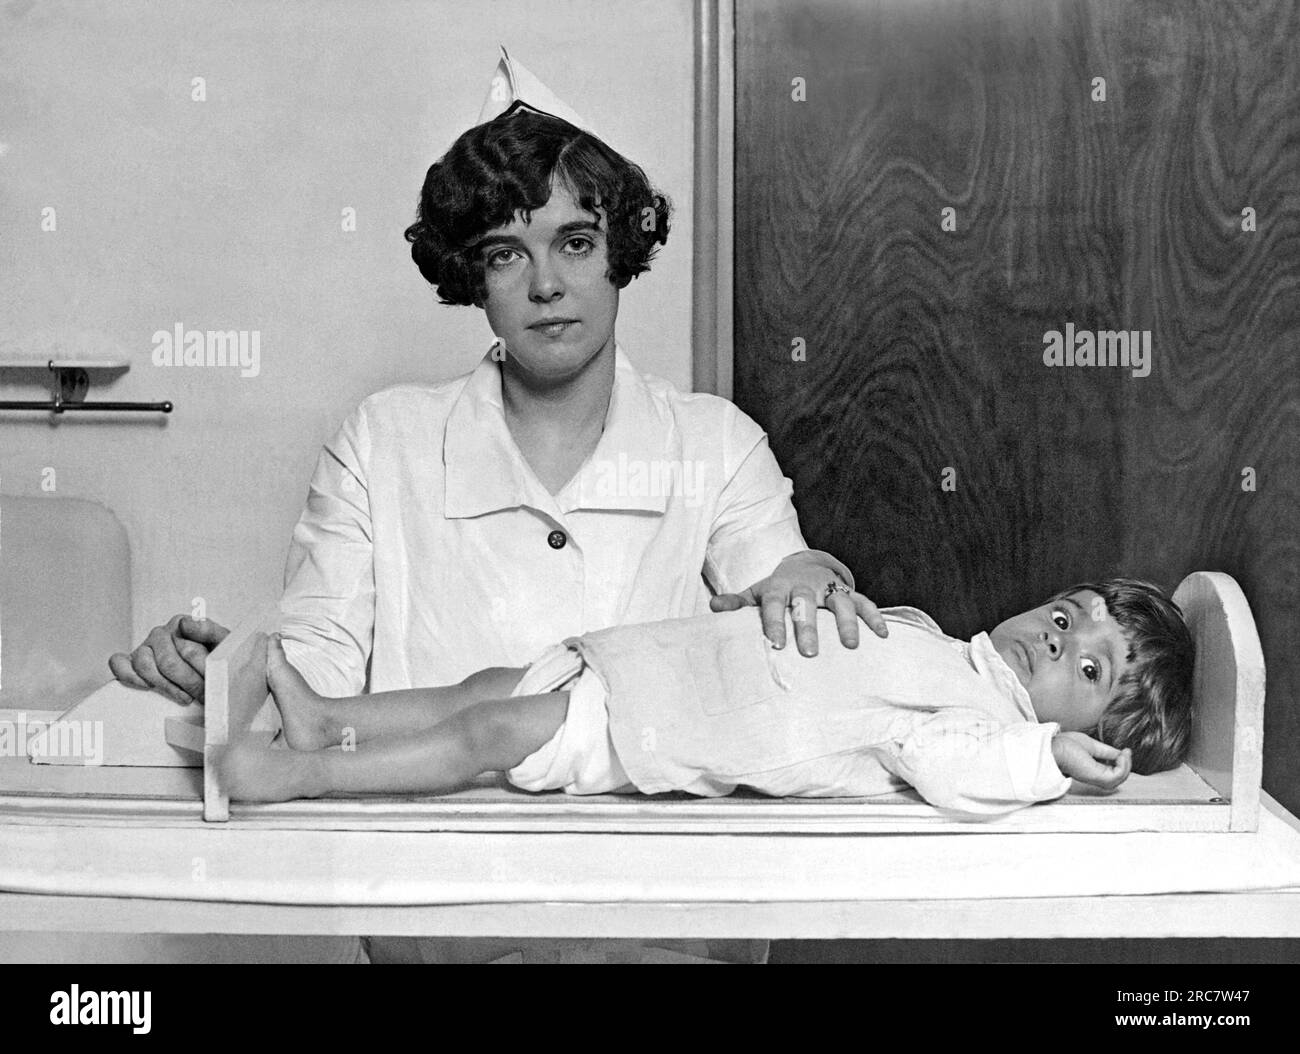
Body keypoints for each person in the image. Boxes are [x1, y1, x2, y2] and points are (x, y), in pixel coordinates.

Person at [109, 52, 882, 963]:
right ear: (472, 277)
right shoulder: (384, 439)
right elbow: (316, 657)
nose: (545, 284)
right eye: (506, 254)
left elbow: (782, 613)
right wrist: (232, 673)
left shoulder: (715, 443)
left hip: (664, 917)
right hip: (442, 910)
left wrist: (805, 578)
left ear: (620, 255)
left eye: (576, 242)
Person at [220, 578, 1195, 819]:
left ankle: (304, 774)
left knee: (487, 729)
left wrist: (1043, 759)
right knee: (486, 686)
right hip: (655, 670)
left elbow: (953, 765)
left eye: (1091, 670)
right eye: (1068, 617)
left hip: (657, 729)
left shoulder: (983, 725)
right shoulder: (944, 643)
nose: (1060, 640)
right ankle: (330, 720)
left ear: (1088, 731)